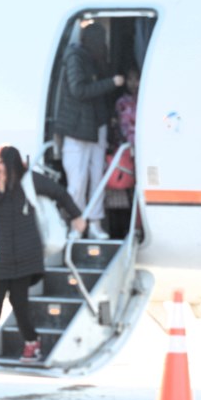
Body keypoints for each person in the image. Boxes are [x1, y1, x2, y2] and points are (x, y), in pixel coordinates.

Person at [0, 145, 85, 384]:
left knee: (20, 305)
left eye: (6, 167)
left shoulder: (29, 181)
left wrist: (76, 215)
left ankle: (32, 342)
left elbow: (59, 193)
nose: (3, 171)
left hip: (25, 256)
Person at [54, 22, 124, 240]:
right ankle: (78, 224)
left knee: (96, 178)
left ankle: (94, 223)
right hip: (77, 129)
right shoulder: (75, 58)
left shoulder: (93, 60)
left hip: (96, 126)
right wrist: (110, 82)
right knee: (78, 180)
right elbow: (79, 90)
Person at [105, 64, 140, 239]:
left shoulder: (145, 99)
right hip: (127, 151)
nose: (134, 83)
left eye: (137, 79)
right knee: (125, 190)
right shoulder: (123, 102)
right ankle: (125, 229)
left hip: (142, 151)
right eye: (131, 79)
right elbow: (124, 127)